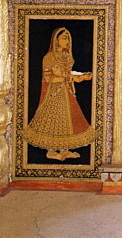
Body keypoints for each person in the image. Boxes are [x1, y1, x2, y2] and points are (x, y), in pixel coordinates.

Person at [22, 27, 95, 161]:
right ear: (56, 40)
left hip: (66, 92)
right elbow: (49, 79)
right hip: (53, 94)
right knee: (53, 121)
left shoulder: (67, 57)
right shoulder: (49, 58)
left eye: (68, 38)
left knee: (67, 120)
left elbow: (69, 74)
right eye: (63, 38)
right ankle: (51, 150)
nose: (66, 40)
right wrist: (73, 78)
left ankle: (64, 149)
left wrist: (78, 77)